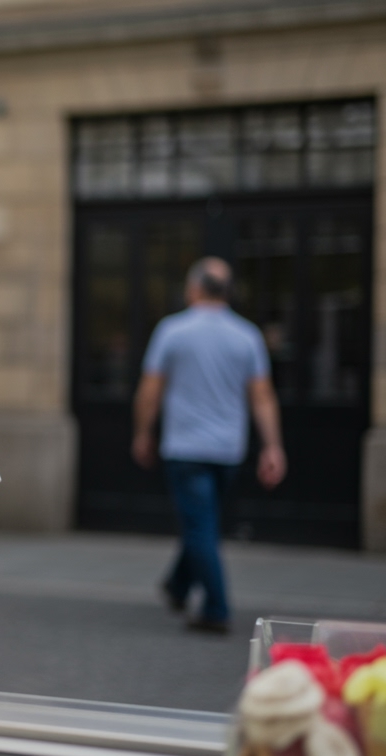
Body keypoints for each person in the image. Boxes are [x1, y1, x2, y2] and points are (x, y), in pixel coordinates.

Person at [132, 257, 287, 634]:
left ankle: (216, 609)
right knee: (203, 522)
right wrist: (273, 446)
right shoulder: (247, 335)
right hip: (228, 451)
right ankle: (178, 585)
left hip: (185, 449)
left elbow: (151, 390)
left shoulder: (172, 331)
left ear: (194, 289)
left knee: (200, 526)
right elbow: (262, 396)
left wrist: (142, 432)